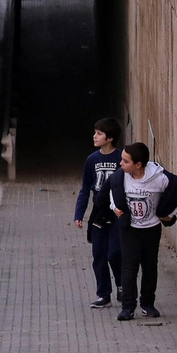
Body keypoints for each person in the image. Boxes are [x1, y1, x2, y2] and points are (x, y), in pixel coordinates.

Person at [106, 142, 171, 321]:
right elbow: (113, 190)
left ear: (138, 164)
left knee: (150, 267)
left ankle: (148, 304)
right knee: (129, 267)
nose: (121, 164)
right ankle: (128, 307)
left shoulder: (159, 178)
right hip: (130, 230)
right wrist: (114, 207)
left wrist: (168, 214)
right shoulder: (121, 177)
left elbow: (174, 193)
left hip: (151, 229)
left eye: (125, 161)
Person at [73, 118, 124, 309]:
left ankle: (121, 285)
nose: (95, 136)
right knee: (99, 255)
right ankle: (104, 294)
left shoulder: (121, 158)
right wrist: (79, 213)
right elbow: (86, 188)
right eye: (95, 132)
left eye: (99, 133)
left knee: (115, 253)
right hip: (98, 213)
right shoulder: (92, 159)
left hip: (117, 212)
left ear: (110, 138)